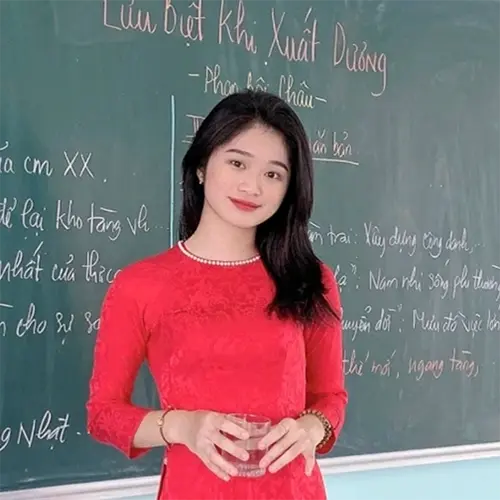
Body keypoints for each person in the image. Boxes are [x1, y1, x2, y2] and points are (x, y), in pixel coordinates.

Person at [86, 89, 348, 500]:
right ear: (201, 166)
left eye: (273, 174)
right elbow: (103, 414)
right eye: (237, 163)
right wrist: (181, 426)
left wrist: (312, 427)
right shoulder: (139, 285)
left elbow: (330, 397)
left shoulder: (311, 279)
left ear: (289, 189)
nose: (252, 186)